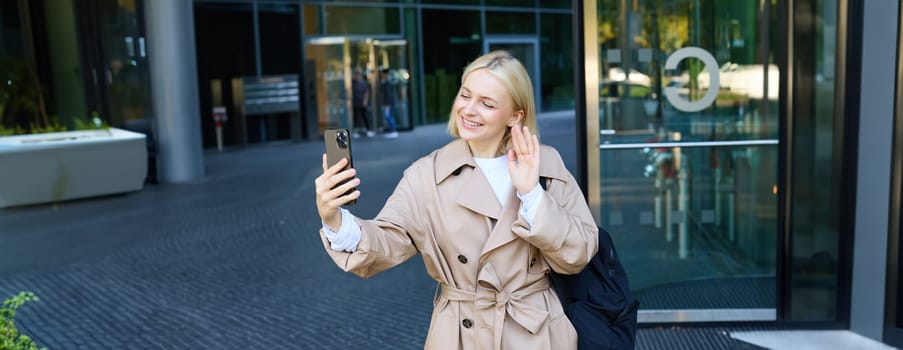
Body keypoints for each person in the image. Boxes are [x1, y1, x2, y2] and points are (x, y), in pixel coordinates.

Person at [314, 51, 598, 350]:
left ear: (516, 115)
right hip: (461, 335)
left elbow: (578, 254)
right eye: (465, 95)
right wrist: (333, 217)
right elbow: (386, 241)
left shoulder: (546, 164)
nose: (469, 110)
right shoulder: (428, 174)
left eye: (487, 103)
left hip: (538, 333)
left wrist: (532, 193)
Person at [351, 69, 374, 137]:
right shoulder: (352, 82)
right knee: (355, 117)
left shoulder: (363, 83)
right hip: (355, 103)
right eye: (356, 75)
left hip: (362, 102)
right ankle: (355, 131)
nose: (357, 76)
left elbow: (366, 92)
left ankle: (368, 130)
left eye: (358, 75)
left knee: (364, 116)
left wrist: (365, 101)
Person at [379, 68, 399, 139]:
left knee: (389, 116)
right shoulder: (388, 81)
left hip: (388, 103)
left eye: (382, 74)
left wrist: (388, 103)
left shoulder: (387, 82)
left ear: (385, 74)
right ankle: (392, 131)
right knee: (389, 116)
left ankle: (393, 131)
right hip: (390, 103)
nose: (381, 75)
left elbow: (388, 94)